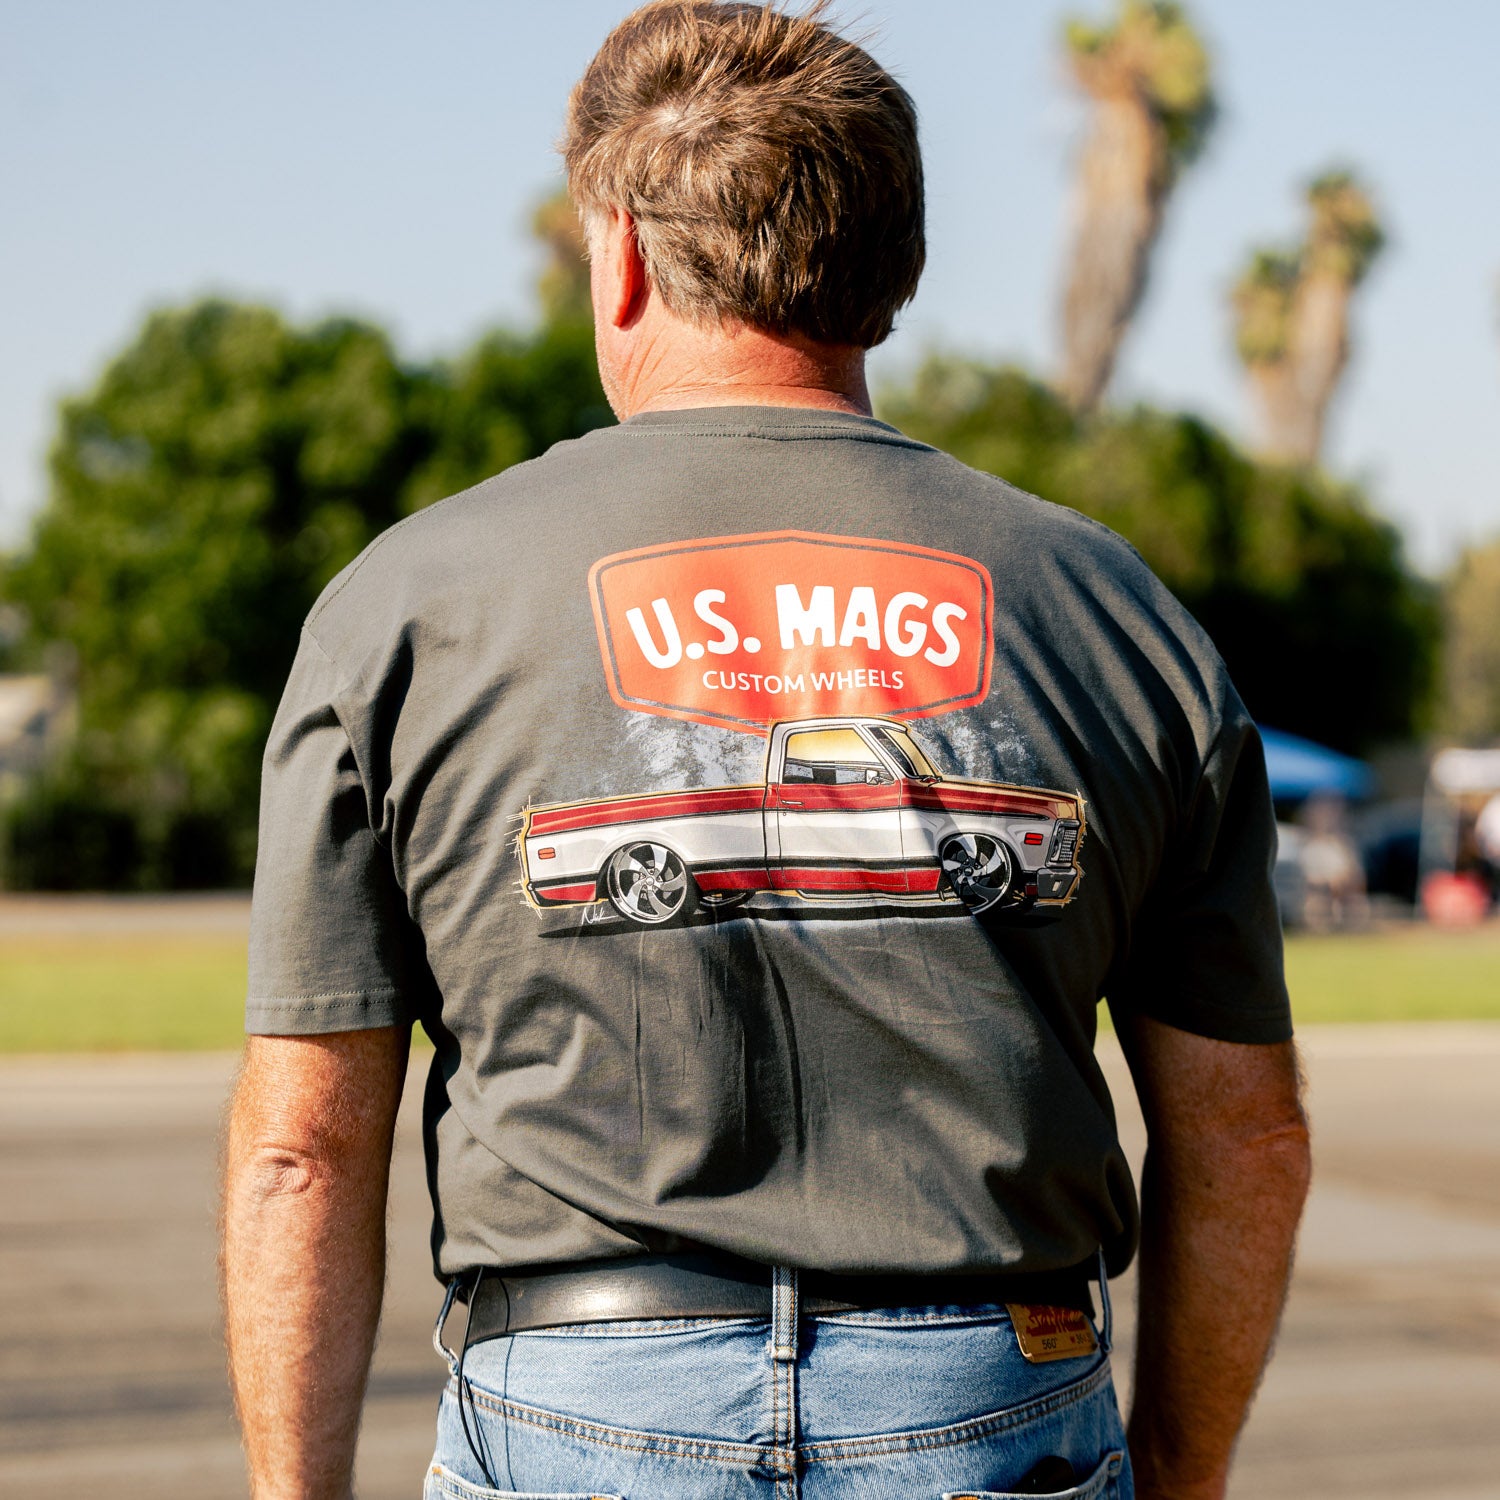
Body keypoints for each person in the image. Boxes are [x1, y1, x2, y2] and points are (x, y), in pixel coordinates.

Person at [221, 4, 1310, 1498]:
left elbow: (301, 1151)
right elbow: (1247, 1134)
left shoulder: (405, 608)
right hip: (997, 1398)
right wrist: (1178, 1472)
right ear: (893, 270)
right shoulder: (1119, 614)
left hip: (573, 1406)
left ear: (618, 258)